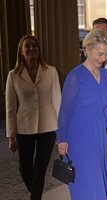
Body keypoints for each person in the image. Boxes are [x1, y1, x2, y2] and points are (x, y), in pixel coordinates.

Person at [56, 29, 107, 200]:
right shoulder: (75, 77)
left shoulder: (106, 75)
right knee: (87, 185)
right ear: (87, 49)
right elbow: (64, 111)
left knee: (98, 181)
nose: (103, 59)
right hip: (79, 137)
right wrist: (62, 138)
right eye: (100, 54)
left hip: (99, 135)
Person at [5, 35, 61, 200]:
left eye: (34, 46)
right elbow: (10, 108)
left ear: (39, 50)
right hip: (24, 127)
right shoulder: (13, 75)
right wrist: (11, 136)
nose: (31, 49)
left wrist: (62, 129)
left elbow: (58, 101)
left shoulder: (51, 71)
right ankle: (36, 193)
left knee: (40, 168)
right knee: (25, 169)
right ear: (21, 52)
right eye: (27, 47)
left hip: (48, 126)